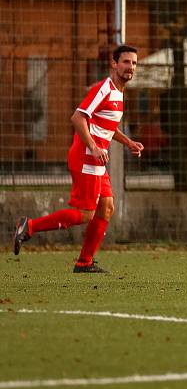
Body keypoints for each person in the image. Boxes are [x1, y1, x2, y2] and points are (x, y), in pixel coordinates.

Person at [13, 45, 144, 273]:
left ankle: (84, 262)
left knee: (106, 207)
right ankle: (30, 226)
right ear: (114, 64)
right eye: (125, 62)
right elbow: (77, 117)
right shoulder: (104, 89)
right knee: (86, 214)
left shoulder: (119, 92)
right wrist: (93, 147)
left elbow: (106, 127)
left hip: (96, 158)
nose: (130, 67)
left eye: (133, 63)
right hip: (87, 156)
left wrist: (129, 143)